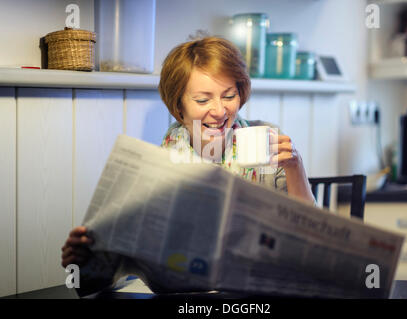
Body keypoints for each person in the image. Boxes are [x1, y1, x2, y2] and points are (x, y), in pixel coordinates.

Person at [61, 36, 315, 271]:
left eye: (229, 95)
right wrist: (91, 256)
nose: (219, 111)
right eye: (203, 100)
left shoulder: (266, 138)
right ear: (179, 107)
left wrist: (296, 167)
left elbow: (309, 234)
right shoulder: (166, 154)